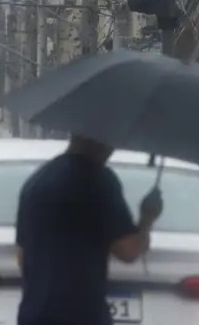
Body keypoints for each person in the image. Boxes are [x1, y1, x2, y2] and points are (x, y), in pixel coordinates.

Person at [14, 135, 164, 325]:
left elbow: (22, 257)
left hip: (34, 315)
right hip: (82, 315)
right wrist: (147, 218)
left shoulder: (35, 183)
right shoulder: (100, 181)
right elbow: (129, 251)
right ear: (100, 140)